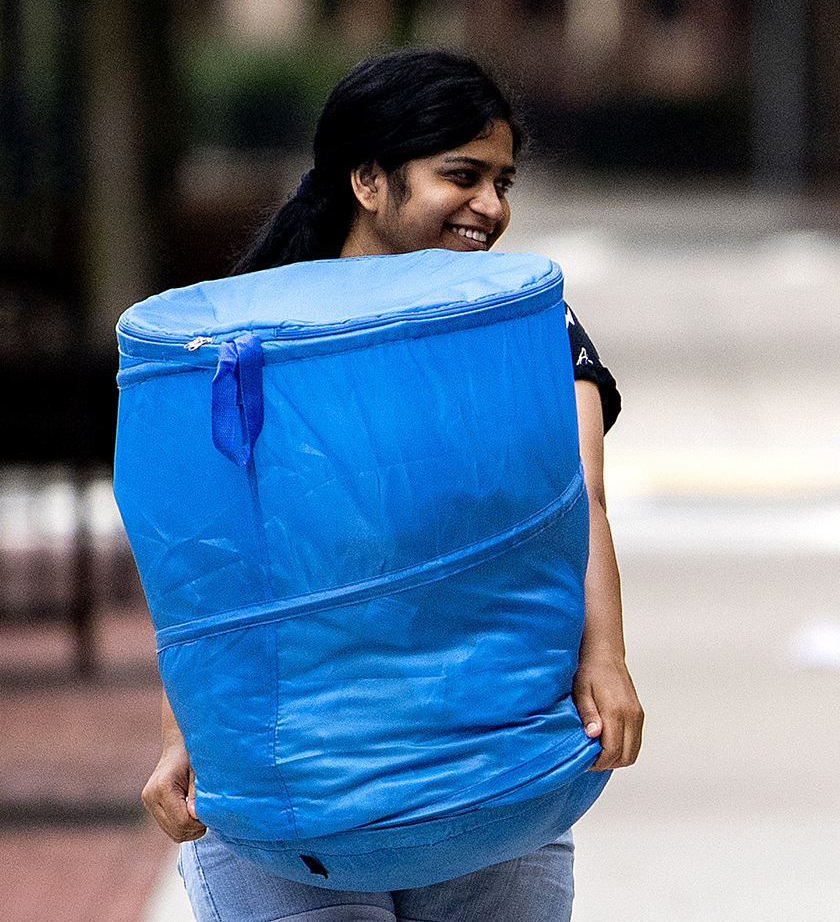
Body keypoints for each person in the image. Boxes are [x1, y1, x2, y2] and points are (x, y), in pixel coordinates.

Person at [140, 48, 643, 922]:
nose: (492, 206)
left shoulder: (527, 322)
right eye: (462, 175)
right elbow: (204, 554)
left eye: (503, 179)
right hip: (293, 774)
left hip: (490, 758)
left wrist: (606, 657)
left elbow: (578, 498)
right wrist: (181, 730)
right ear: (369, 179)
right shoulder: (247, 338)